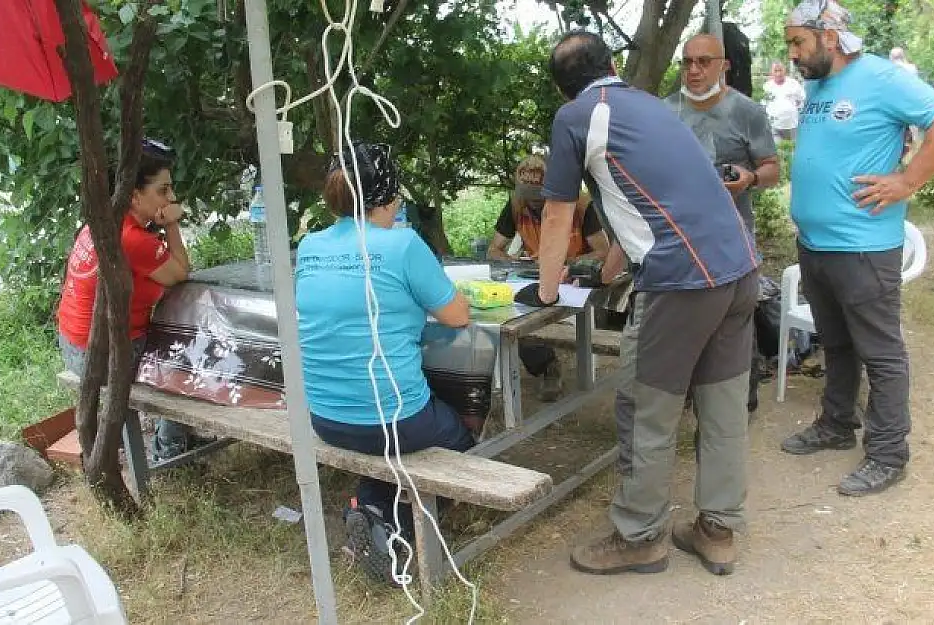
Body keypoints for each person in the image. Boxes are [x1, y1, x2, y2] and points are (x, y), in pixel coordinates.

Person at [522, 30, 759, 577]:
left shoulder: (578, 116)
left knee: (644, 410)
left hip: (681, 283)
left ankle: (639, 537)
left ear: (565, 89)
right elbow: (647, 203)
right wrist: (606, 270)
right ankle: (717, 530)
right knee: (721, 407)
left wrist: (549, 289)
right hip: (738, 270)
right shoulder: (650, 108)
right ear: (610, 65)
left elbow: (558, 212)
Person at [780, 0, 934, 496]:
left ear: (830, 37)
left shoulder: (882, 77)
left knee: (881, 355)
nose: (793, 54)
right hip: (817, 246)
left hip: (863, 247)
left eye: (798, 42)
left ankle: (888, 455)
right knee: (836, 344)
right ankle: (837, 424)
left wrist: (907, 180)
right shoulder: (818, 85)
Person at [296, 141, 475, 584]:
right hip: (397, 419)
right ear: (392, 195)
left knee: (389, 437)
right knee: (459, 436)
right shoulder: (402, 244)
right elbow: (457, 315)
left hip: (323, 417)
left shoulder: (309, 246)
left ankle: (371, 509)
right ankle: (394, 525)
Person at [57, 138, 200, 462]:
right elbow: (180, 272)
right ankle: (170, 454)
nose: (172, 198)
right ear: (134, 195)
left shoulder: (105, 221)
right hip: (103, 353)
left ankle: (174, 442)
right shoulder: (133, 239)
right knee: (189, 359)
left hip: (72, 343)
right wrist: (173, 223)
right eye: (163, 191)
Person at [488, 154, 610, 401]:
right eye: (527, 196)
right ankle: (548, 367)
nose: (533, 203)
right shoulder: (515, 205)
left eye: (538, 196)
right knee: (511, 317)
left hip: (573, 284)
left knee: (542, 313)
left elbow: (603, 251)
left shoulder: (580, 206)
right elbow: (494, 249)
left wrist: (569, 264)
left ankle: (557, 369)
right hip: (533, 279)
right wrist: (514, 261)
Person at [666, 34, 780, 237]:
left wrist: (751, 178)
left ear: (724, 66)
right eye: (687, 62)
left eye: (704, 62)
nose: (693, 70)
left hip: (733, 235)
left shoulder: (747, 111)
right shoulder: (663, 111)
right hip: (679, 234)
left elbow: (772, 170)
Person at [762, 61, 807, 141]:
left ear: (785, 71)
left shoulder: (793, 83)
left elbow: (802, 99)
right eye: (775, 71)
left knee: (793, 148)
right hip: (774, 126)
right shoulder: (767, 86)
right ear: (771, 72)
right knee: (778, 150)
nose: (778, 74)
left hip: (792, 125)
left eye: (780, 70)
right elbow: (764, 104)